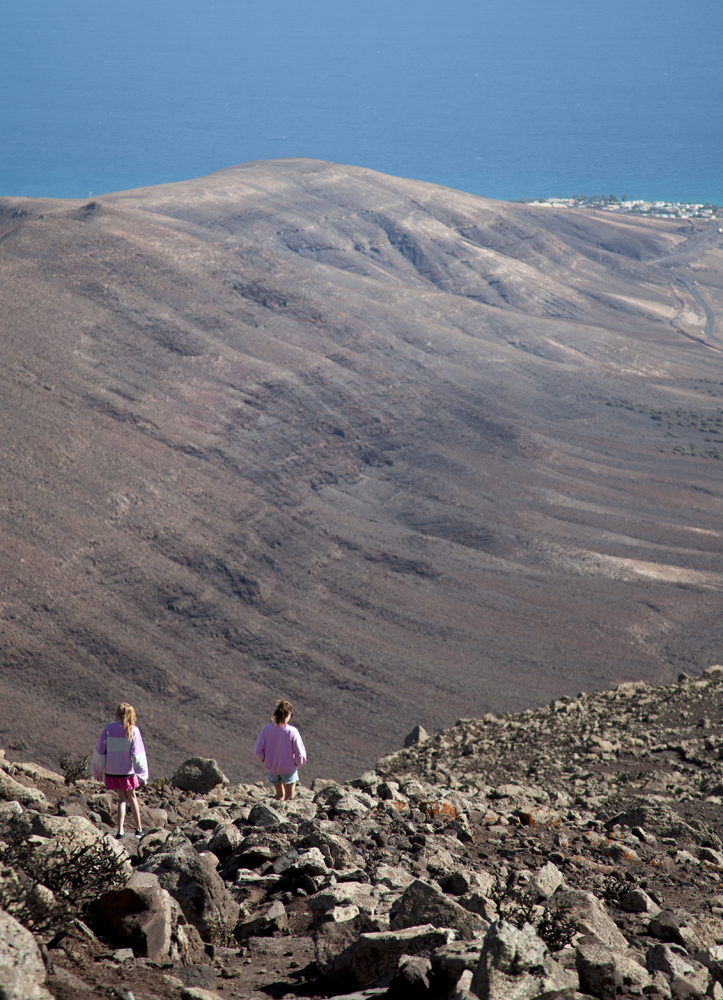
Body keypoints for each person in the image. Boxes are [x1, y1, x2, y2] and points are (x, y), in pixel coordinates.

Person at [92, 702, 148, 838]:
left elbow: (100, 752)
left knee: (122, 799)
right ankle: (139, 830)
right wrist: (142, 775)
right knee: (132, 797)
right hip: (127, 773)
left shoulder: (108, 729)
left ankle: (120, 831)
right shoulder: (134, 731)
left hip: (112, 773)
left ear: (116, 715)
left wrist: (98, 771)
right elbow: (138, 756)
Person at [253, 699, 307, 800]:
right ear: (288, 715)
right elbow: (301, 755)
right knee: (289, 798)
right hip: (289, 769)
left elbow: (257, 751)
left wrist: (266, 760)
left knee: (279, 795)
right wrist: (296, 763)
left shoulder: (266, 729)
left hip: (273, 769)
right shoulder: (292, 731)